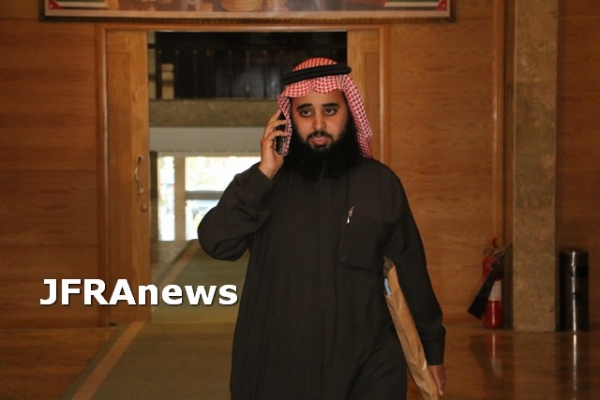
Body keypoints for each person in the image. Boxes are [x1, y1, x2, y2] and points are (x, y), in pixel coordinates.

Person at [197, 57, 446, 399]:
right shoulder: (265, 184)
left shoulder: (379, 184)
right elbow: (216, 242)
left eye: (330, 110)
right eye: (305, 112)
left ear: (349, 113)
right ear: (287, 120)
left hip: (368, 363)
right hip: (281, 362)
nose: (318, 124)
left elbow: (411, 270)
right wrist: (262, 175)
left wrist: (432, 350)